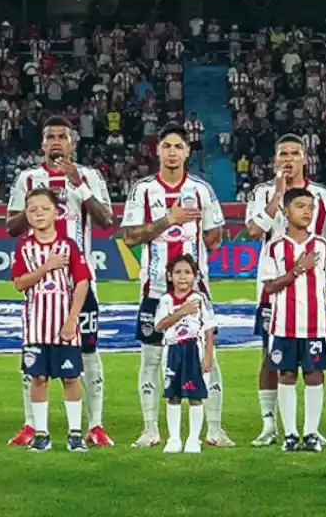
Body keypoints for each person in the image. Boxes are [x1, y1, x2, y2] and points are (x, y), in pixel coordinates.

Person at [5, 116, 116, 447]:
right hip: (40, 285)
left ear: (72, 142)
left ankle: (95, 425)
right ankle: (31, 425)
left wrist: (77, 184)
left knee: (89, 352)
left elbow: (107, 221)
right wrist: (37, 207)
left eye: (62, 137)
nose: (56, 142)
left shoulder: (90, 176)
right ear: (42, 144)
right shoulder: (28, 178)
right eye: (50, 136)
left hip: (79, 282)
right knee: (33, 356)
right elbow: (11, 227)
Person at [121, 123, 229, 448]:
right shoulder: (142, 190)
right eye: (166, 146)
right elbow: (129, 237)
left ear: (187, 152)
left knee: (207, 357)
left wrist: (196, 255)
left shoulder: (201, 189)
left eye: (178, 146)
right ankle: (151, 430)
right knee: (152, 359)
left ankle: (214, 430)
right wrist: (168, 220)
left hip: (196, 294)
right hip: (155, 291)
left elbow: (215, 234)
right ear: (157, 150)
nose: (172, 152)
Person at [245, 134, 326, 447]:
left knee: (313, 366)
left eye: (295, 153)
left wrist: (315, 284)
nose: (288, 159)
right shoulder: (262, 192)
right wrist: (278, 195)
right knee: (270, 357)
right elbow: (254, 231)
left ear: (305, 158)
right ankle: (269, 424)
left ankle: (311, 428)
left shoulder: (321, 195)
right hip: (273, 293)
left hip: (310, 297)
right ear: (275, 160)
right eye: (283, 154)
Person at [257, 187, 326, 453]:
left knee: (315, 375)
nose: (307, 212)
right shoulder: (274, 247)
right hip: (283, 325)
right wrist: (298, 270)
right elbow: (269, 287)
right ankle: (291, 434)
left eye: (311, 207)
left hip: (315, 325)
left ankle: (311, 433)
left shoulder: (322, 245)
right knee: (286, 374)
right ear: (285, 210)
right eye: (300, 206)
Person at [11, 188, 92, 452]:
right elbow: (19, 283)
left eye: (44, 209)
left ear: (56, 213)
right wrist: (46, 267)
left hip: (64, 326)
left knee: (70, 378)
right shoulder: (24, 247)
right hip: (35, 328)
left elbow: (82, 283)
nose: (39, 214)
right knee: (38, 378)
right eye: (32, 210)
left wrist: (72, 320)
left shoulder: (69, 246)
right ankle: (41, 434)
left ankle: (75, 434)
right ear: (26, 214)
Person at [155, 255, 217, 454]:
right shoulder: (165, 300)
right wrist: (181, 312)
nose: (182, 277)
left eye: (187, 272)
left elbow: (209, 328)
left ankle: (193, 439)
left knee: (195, 395)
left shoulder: (200, 299)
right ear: (169, 276)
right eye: (178, 272)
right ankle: (174, 439)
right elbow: (159, 325)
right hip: (172, 350)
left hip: (194, 350)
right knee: (173, 394)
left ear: (195, 276)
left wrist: (208, 355)